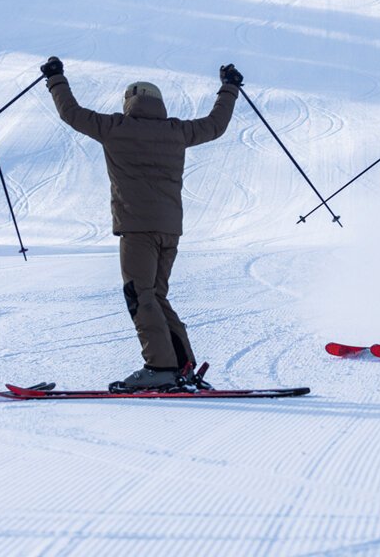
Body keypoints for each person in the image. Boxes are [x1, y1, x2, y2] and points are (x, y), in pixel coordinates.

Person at [40, 56, 242, 392]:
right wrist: (230, 88)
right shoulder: (177, 131)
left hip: (136, 228)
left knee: (141, 295)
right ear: (159, 104)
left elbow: (71, 113)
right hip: (169, 229)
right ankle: (181, 363)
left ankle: (159, 366)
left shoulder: (116, 128)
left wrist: (55, 79)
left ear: (129, 102)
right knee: (157, 294)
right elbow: (215, 125)